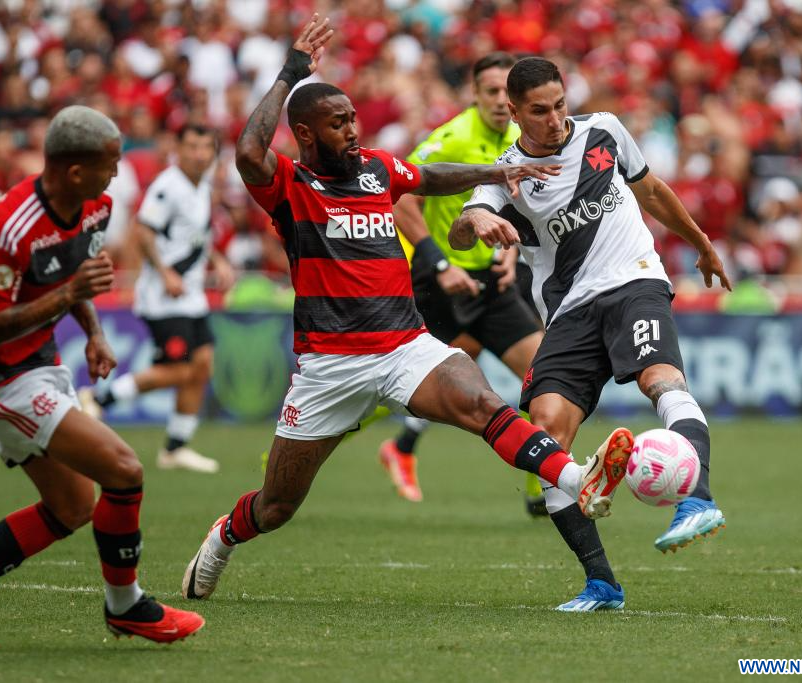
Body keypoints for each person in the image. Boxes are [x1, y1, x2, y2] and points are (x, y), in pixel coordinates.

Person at [180, 15, 635, 602]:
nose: (352, 130)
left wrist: (500, 171)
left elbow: (430, 177)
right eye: (337, 124)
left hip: (404, 346)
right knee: (278, 505)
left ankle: (580, 479)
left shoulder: (375, 168)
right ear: (306, 134)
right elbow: (247, 151)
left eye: (352, 118)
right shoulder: (290, 184)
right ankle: (222, 538)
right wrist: (292, 71)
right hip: (329, 367)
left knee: (480, 401)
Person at [0, 106, 204, 648]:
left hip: (39, 365)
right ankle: (127, 606)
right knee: (123, 468)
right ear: (73, 171)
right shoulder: (8, 225)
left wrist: (94, 333)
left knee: (71, 508)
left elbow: (74, 281)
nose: (116, 175)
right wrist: (68, 296)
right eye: (109, 164)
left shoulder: (97, 207)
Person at [450, 58, 732, 612]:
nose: (556, 119)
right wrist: (475, 223)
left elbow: (650, 191)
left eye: (559, 104)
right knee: (546, 436)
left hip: (634, 281)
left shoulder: (603, 129)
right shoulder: (505, 173)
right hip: (569, 312)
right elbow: (464, 232)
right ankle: (602, 584)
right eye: (540, 111)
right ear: (514, 111)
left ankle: (696, 500)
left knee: (660, 378)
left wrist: (700, 241)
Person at [377, 51, 544, 504]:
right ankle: (345, 439)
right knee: (389, 385)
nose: (497, 101)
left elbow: (520, 209)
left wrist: (516, 254)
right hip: (441, 285)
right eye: (489, 91)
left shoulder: (520, 138)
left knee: (544, 374)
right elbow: (401, 198)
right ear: (474, 94)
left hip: (493, 284)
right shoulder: (450, 139)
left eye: (504, 92)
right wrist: (440, 264)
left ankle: (541, 490)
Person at [79, 124, 234, 474]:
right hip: (164, 296)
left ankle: (176, 448)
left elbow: (196, 237)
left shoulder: (202, 187)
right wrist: (165, 272)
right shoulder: (168, 185)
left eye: (205, 146)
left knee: (202, 364)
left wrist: (217, 260)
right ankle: (98, 398)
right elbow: (143, 229)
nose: (199, 153)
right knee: (178, 369)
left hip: (190, 295)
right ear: (179, 148)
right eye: (192, 145)